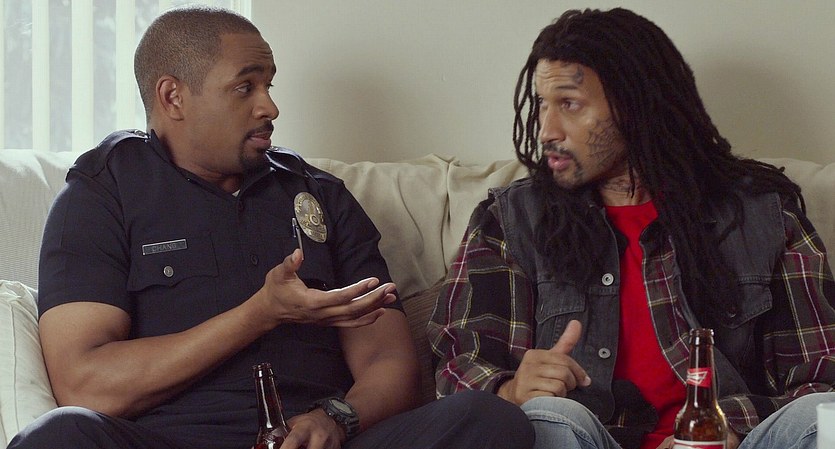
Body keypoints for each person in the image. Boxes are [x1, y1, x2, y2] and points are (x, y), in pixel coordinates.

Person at [8, 6, 534, 449]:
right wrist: (259, 314)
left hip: (316, 440)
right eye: (245, 87)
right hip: (169, 441)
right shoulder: (103, 194)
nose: (270, 106)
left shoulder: (319, 195)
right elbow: (87, 384)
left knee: (489, 420)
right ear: (173, 97)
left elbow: (388, 361)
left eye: (269, 84)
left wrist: (337, 418)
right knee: (59, 437)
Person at [428, 7, 835, 449]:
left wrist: (721, 428)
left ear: (635, 107)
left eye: (569, 104)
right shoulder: (511, 220)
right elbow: (458, 366)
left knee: (821, 416)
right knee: (552, 416)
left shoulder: (762, 214)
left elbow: (821, 374)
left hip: (732, 443)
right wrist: (510, 390)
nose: (546, 130)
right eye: (542, 104)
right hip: (584, 439)